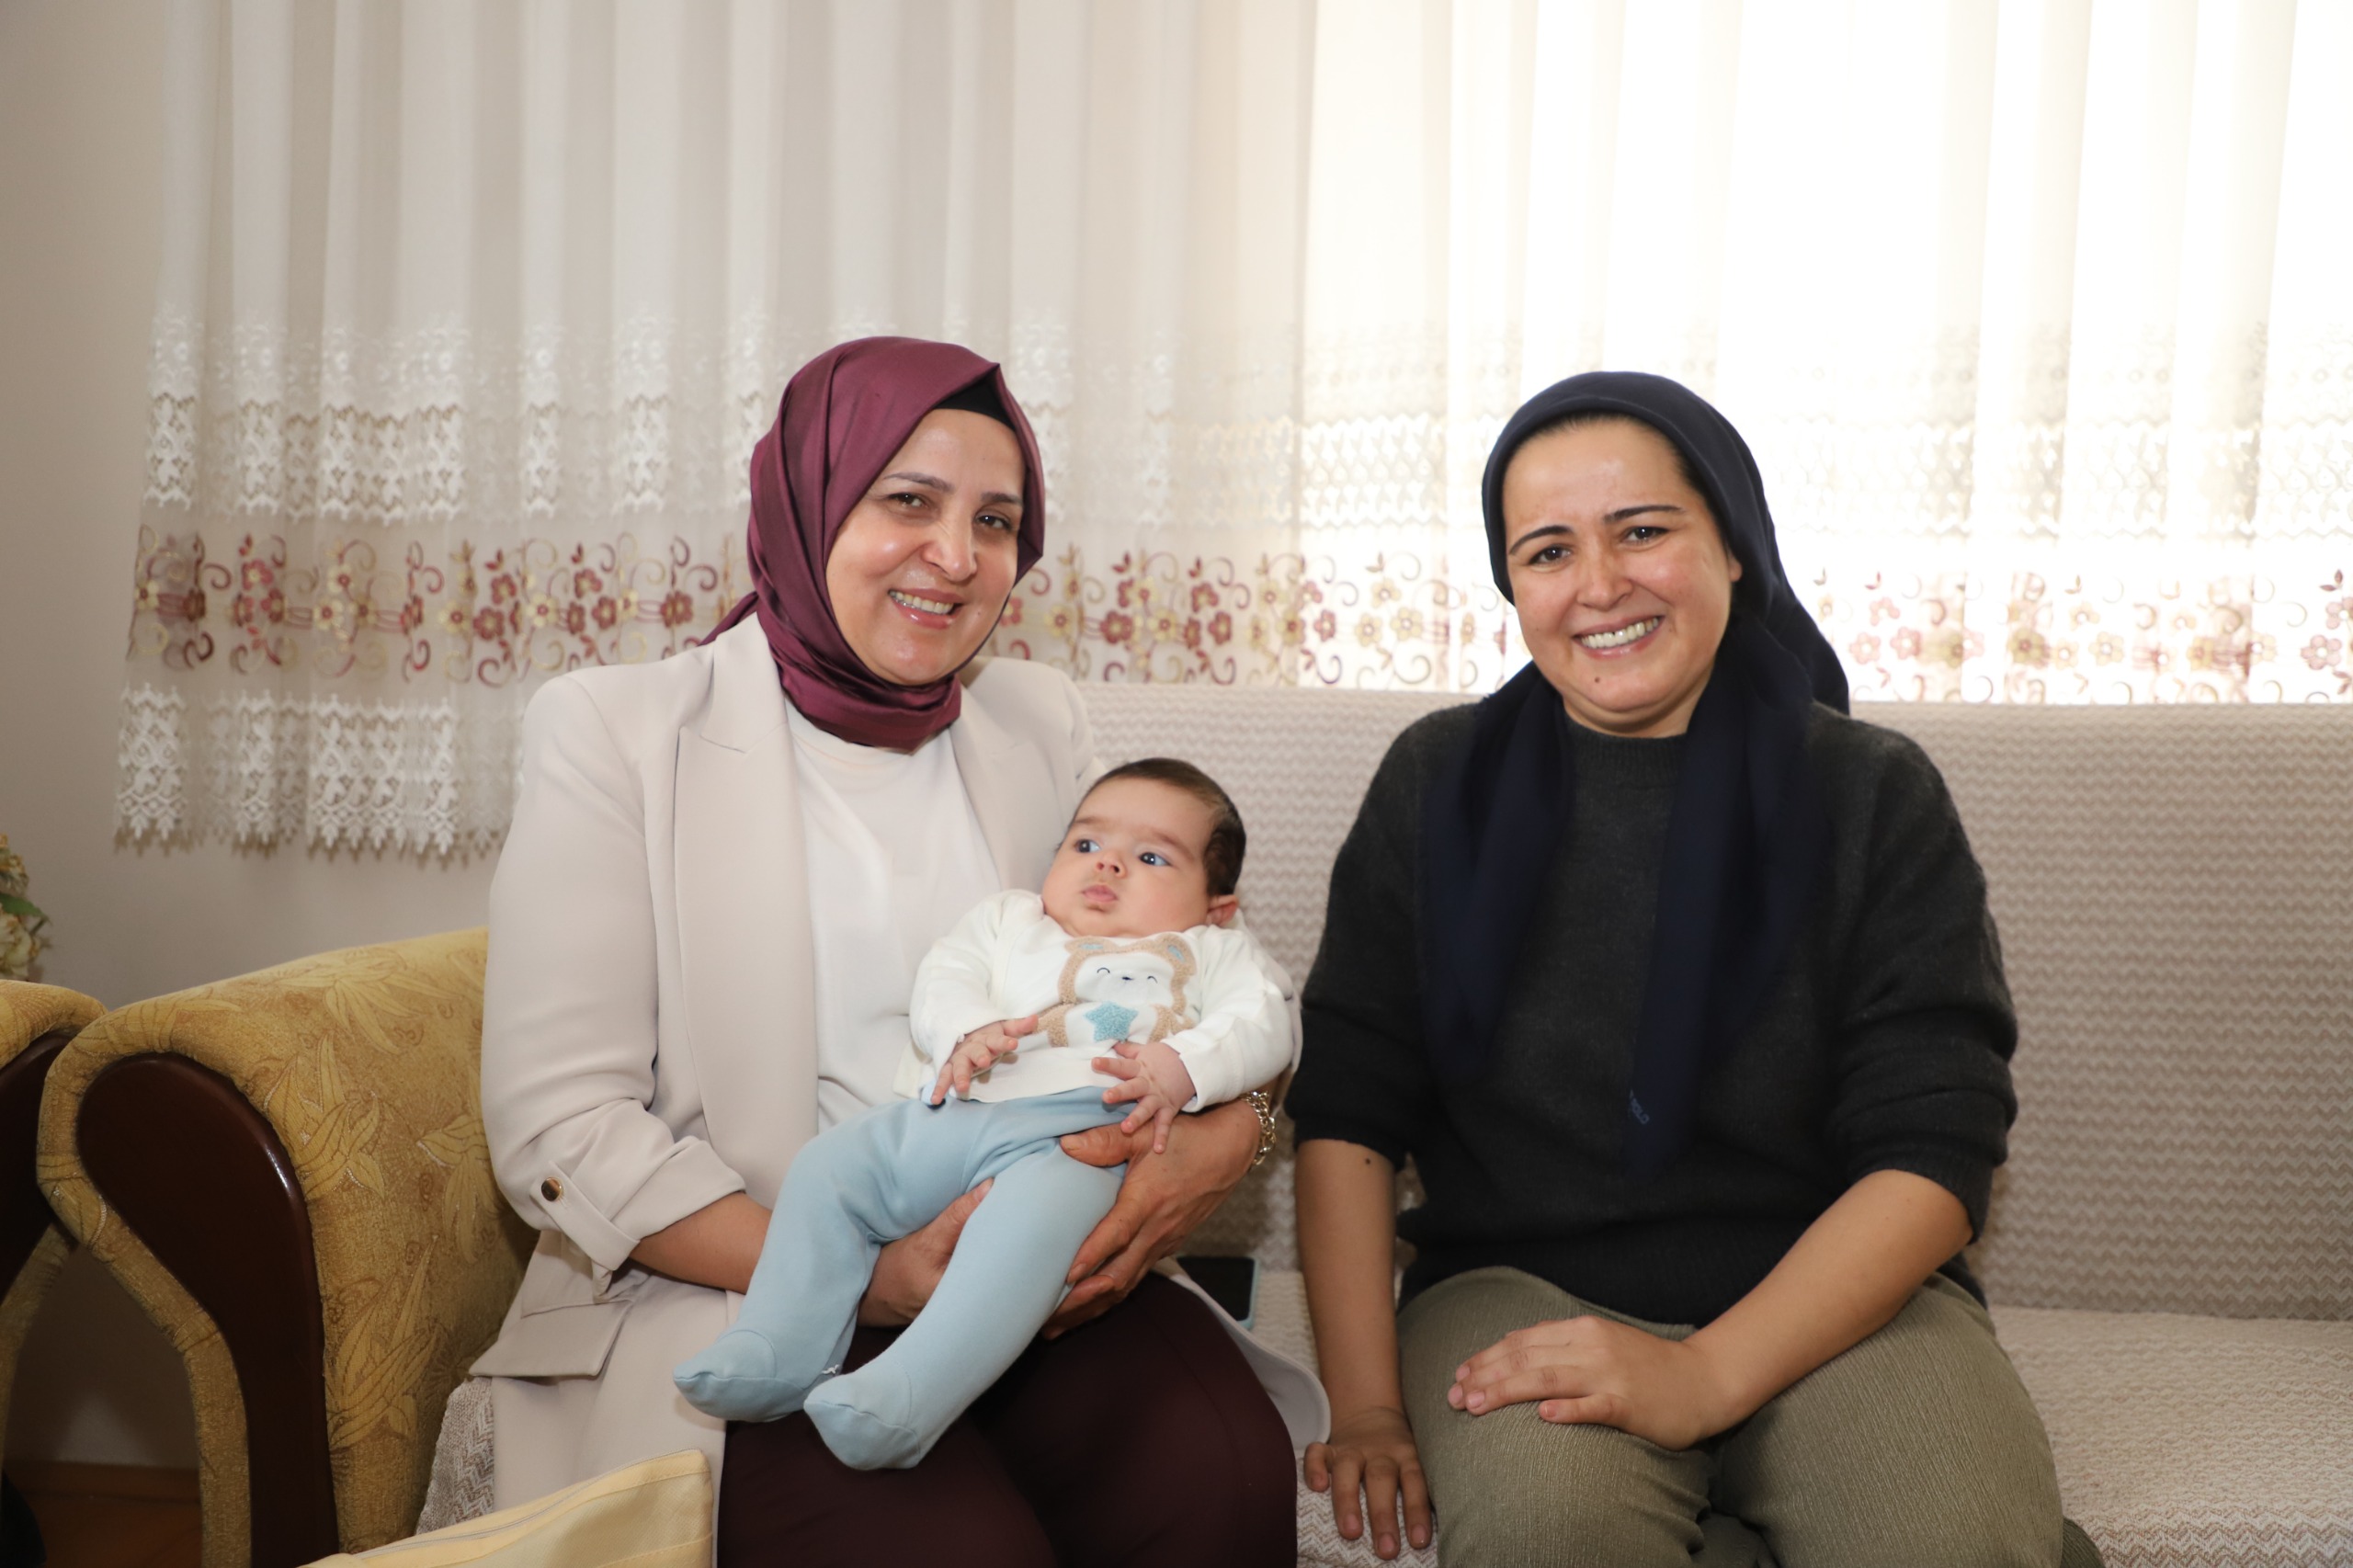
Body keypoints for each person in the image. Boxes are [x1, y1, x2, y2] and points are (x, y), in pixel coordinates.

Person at [474, 337, 1320, 1566]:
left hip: (1027, 1244)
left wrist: (1229, 1134)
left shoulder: (1036, 720)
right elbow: (559, 1125)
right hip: (739, 1276)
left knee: (1220, 1475)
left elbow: (1197, 974)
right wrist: (865, 1274)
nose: (956, 555)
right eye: (909, 501)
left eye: (995, 520)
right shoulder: (618, 731)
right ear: (807, 502)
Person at [1288, 371, 2072, 1567]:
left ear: (1735, 547)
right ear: (1513, 584)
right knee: (1553, 1534)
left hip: (1836, 1292)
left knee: (1951, 1541)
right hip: (1518, 1282)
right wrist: (1368, 1406)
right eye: (1548, 551)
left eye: (1643, 530)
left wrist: (1702, 1373)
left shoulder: (1872, 791)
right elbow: (1347, 1112)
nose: (1600, 584)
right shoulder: (1435, 783)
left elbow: (1935, 1147)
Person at [673, 758, 1293, 1471]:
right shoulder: (1008, 919)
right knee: (830, 1169)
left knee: (1020, 1239)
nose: (1109, 864)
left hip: (1080, 1139)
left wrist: (1184, 1066)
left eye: (1151, 857)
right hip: (958, 1106)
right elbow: (947, 975)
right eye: (1087, 844)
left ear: (1217, 907)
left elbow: (1263, 1021)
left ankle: (907, 1398)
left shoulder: (1213, 951)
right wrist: (966, 1029)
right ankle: (778, 1348)